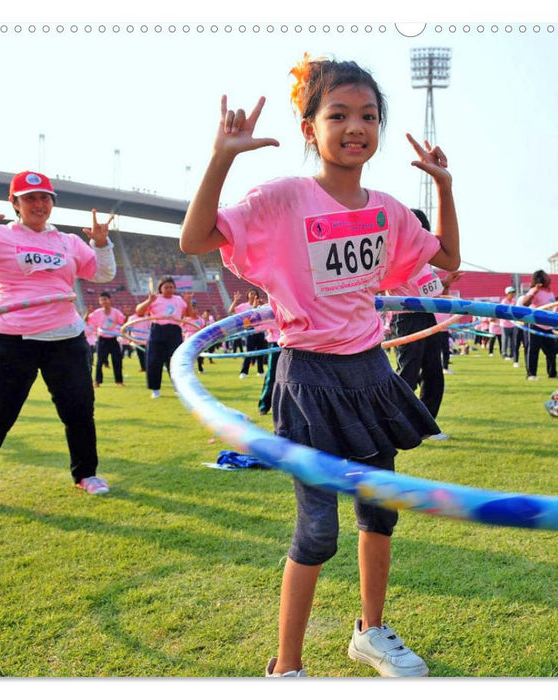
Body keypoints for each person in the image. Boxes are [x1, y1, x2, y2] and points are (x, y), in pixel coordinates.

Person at [178, 56, 460, 677]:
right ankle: (287, 667)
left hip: (370, 376)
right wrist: (223, 156)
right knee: (316, 532)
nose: (355, 127)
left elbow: (449, 260)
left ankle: (371, 631)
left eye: (368, 115)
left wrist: (442, 185)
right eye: (338, 115)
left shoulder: (387, 209)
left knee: (379, 511)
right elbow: (196, 239)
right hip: (309, 377)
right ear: (310, 128)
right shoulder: (282, 199)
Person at [0, 172, 116, 513]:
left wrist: (101, 244)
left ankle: (86, 474)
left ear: (52, 203)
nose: (38, 204)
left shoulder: (68, 241)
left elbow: (103, 274)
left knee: (79, 411)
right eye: (30, 198)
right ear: (16, 204)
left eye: (45, 198)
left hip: (65, 338)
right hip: (9, 338)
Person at [389, 208, 461, 438]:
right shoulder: (397, 255)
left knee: (433, 374)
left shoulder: (425, 258)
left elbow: (431, 290)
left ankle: (425, 427)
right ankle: (392, 425)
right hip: (408, 317)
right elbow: (420, 289)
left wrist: (446, 282)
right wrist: (444, 283)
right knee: (408, 374)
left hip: (427, 316)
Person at [135, 276, 193, 398]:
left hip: (174, 331)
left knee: (175, 360)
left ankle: (178, 388)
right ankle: (155, 389)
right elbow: (139, 311)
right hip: (158, 330)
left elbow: (190, 315)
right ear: (160, 288)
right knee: (154, 361)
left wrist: (188, 302)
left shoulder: (179, 300)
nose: (169, 289)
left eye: (171, 287)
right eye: (166, 287)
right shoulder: (155, 299)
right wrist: (149, 301)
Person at [520, 270, 558, 381]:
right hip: (535, 324)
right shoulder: (535, 290)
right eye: (546, 276)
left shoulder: (549, 292)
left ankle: (552, 373)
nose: (549, 278)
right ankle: (531, 374)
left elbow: (549, 305)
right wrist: (533, 292)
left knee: (551, 351)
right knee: (533, 350)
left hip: (547, 325)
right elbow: (524, 304)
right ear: (541, 279)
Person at [86, 292, 126, 387]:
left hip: (113, 339)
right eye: (102, 300)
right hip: (102, 339)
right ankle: (97, 381)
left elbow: (123, 322)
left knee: (117, 360)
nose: (104, 301)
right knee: (100, 361)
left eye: (105, 299)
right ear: (99, 302)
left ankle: (119, 381)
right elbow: (88, 321)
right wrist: (87, 313)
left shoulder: (116, 312)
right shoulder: (97, 313)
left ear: (110, 300)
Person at [499, 286, 519, 364]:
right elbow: (505, 312)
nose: (513, 294)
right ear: (507, 293)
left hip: (513, 324)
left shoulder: (514, 301)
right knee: (505, 339)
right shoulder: (504, 302)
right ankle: (504, 354)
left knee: (513, 340)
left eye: (513, 292)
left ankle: (512, 353)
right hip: (505, 324)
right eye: (511, 293)